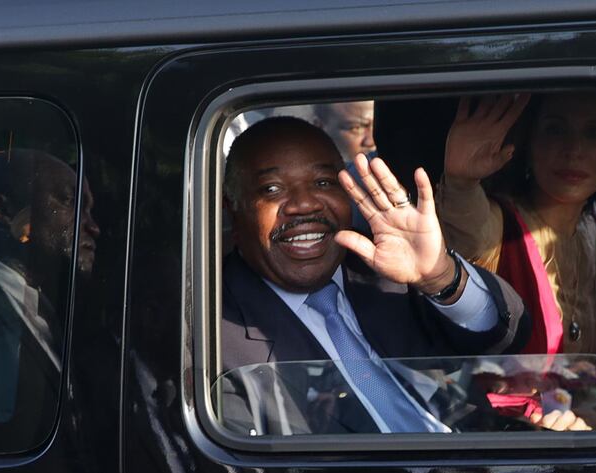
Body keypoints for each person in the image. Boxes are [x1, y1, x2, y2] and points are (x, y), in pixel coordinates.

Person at [219, 116, 546, 435]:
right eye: (272, 188)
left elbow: (507, 334)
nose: (304, 204)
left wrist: (440, 276)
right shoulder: (215, 339)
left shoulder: (389, 267)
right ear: (232, 208)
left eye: (323, 182)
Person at [438, 92, 596, 356]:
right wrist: (460, 182)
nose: (574, 150)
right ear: (529, 142)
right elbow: (466, 230)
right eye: (555, 130)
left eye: (594, 133)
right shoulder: (500, 226)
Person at [0, 148, 100, 451]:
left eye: (88, 209)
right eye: (69, 202)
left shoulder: (43, 308)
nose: (92, 226)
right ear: (2, 209)